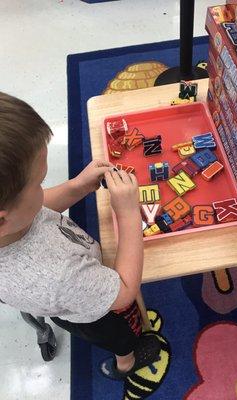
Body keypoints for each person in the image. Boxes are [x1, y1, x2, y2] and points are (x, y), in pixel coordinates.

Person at [0, 92, 160, 380]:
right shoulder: (59, 275)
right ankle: (125, 365)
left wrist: (78, 186)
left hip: (69, 289)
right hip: (93, 310)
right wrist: (128, 214)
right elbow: (124, 293)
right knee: (120, 337)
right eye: (38, 183)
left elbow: (39, 207)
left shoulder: (11, 221)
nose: (42, 189)